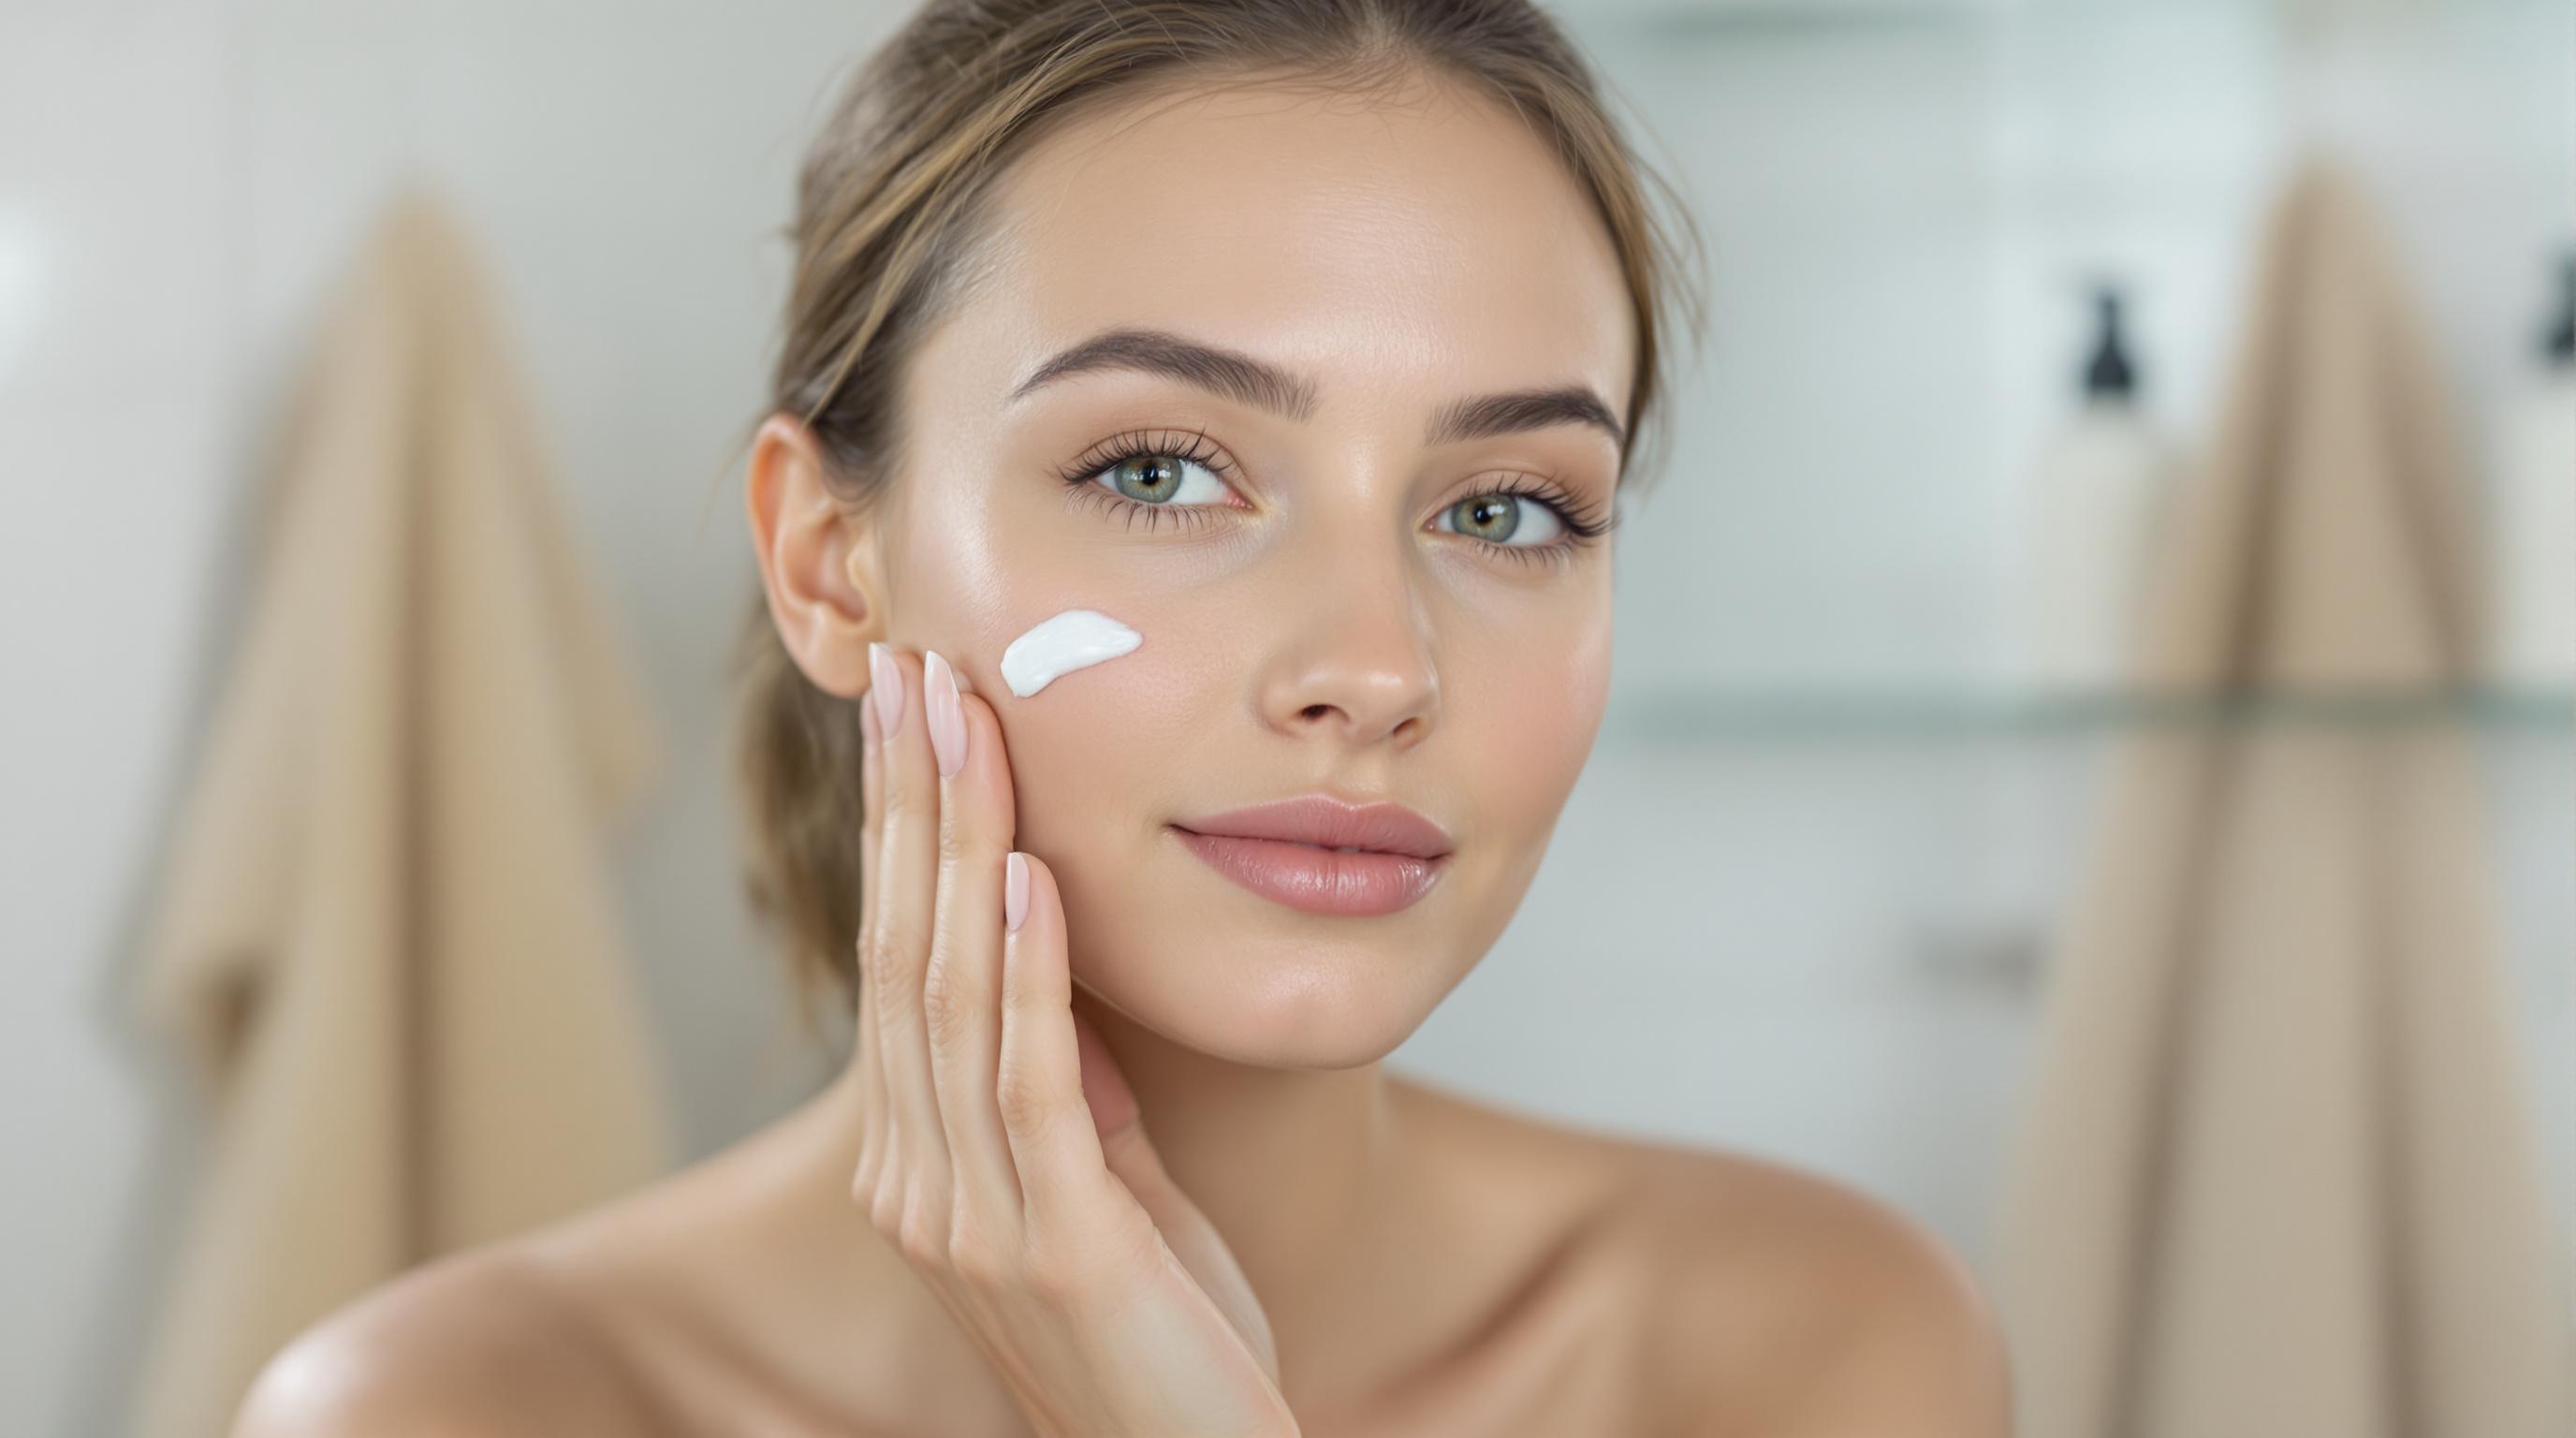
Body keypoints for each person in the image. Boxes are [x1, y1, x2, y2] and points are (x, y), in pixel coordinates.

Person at [236, 1, 2012, 1432]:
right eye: (1162, 468)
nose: (1380, 668)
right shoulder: (460, 1415)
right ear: (830, 563)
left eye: (1506, 509)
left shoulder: (1805, 1357)